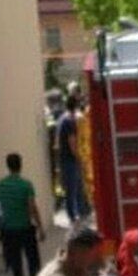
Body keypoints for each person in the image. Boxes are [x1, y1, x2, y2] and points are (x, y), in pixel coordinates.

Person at [0, 153, 46, 276]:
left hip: (8, 229)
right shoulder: (26, 185)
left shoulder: (0, 186)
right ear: (20, 165)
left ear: (8, 166)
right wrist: (40, 227)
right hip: (24, 227)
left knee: (15, 263)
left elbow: (0, 206)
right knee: (33, 261)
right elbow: (32, 207)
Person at [57, 94, 91, 227]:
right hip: (70, 160)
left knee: (74, 188)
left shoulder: (62, 119)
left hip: (64, 159)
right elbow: (72, 143)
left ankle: (80, 214)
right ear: (76, 106)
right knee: (73, 189)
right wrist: (79, 158)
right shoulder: (70, 121)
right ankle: (75, 218)